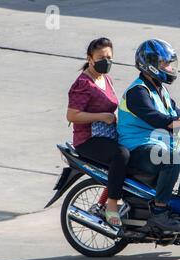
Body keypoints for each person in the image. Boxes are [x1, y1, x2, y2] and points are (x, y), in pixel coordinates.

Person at [117, 39, 180, 233]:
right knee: (172, 160)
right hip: (138, 147)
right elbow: (158, 119)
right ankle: (159, 211)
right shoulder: (137, 92)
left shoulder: (159, 89)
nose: (169, 68)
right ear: (149, 64)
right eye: (165, 64)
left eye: (169, 64)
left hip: (161, 144)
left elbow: (177, 114)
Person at [66, 37, 129, 227]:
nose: (106, 61)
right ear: (90, 58)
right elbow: (72, 115)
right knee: (121, 155)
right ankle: (111, 205)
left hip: (107, 134)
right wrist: (102, 116)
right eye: (101, 57)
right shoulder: (84, 83)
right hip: (88, 140)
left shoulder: (106, 79)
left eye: (109, 57)